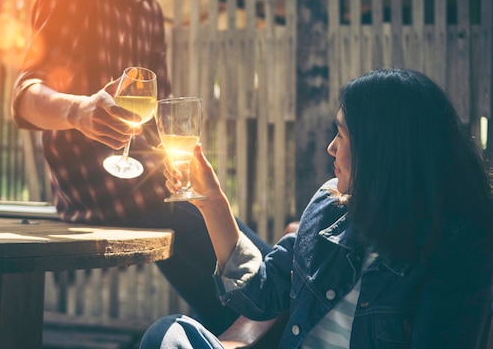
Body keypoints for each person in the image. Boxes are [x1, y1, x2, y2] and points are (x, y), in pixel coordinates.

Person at [11, 0, 271, 335]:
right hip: (99, 192)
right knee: (259, 296)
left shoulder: (147, 4)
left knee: (254, 288)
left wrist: (181, 163)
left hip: (152, 184)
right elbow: (24, 97)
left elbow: (158, 107)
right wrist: (78, 111)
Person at [141, 68, 493, 349]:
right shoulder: (330, 206)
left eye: (341, 135)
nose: (330, 148)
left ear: (381, 151)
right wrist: (212, 200)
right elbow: (262, 297)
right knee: (168, 334)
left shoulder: (457, 251)